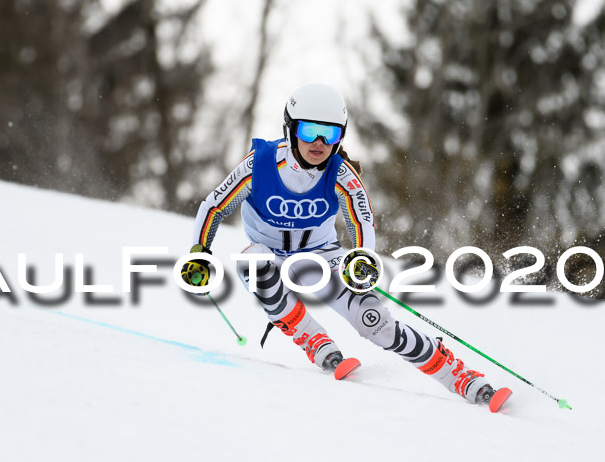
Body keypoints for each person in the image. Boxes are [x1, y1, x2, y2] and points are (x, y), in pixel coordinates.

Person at [181, 83, 498, 406]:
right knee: (255, 263)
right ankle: (313, 339)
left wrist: (361, 257)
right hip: (269, 254)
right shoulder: (260, 164)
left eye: (329, 135)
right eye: (309, 131)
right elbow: (214, 206)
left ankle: (458, 375)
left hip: (318, 257)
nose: (319, 143)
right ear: (290, 130)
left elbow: (361, 219)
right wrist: (199, 253)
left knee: (373, 321)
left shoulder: (340, 173)